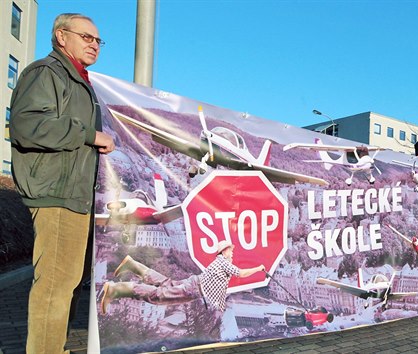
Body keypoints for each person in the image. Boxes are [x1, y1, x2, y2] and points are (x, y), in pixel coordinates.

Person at [9, 13, 115, 353]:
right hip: (58, 194)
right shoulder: (47, 73)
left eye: (98, 40)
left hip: (78, 196)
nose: (94, 45)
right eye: (86, 37)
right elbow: (28, 125)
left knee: (69, 285)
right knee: (55, 286)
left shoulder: (81, 82)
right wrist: (88, 134)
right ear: (61, 36)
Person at [100, 240, 265, 313]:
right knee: (158, 296)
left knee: (166, 284)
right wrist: (259, 268)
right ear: (224, 251)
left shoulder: (220, 261)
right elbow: (242, 273)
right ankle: (116, 289)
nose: (233, 252)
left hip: (194, 283)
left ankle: (133, 265)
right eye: (231, 250)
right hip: (194, 289)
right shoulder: (224, 262)